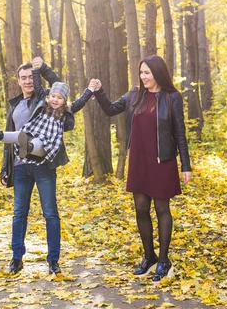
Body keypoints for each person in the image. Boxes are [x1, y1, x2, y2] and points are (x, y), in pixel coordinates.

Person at [0, 56, 97, 275]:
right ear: (18, 80)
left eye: (31, 77)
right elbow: (9, 144)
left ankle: (53, 261)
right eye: (24, 78)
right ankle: (16, 258)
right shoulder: (15, 106)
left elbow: (59, 86)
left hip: (43, 165)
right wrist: (4, 168)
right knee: (19, 213)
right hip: (20, 166)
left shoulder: (45, 98)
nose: (28, 81)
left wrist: (42, 68)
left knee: (50, 213)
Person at [93, 55, 192, 283]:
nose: (143, 77)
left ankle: (164, 261)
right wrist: (99, 92)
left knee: (161, 208)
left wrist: (185, 166)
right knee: (140, 208)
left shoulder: (171, 97)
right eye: (141, 72)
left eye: (147, 72)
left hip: (162, 160)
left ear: (157, 73)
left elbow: (179, 133)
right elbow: (109, 109)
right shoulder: (134, 95)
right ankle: (149, 256)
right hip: (138, 160)